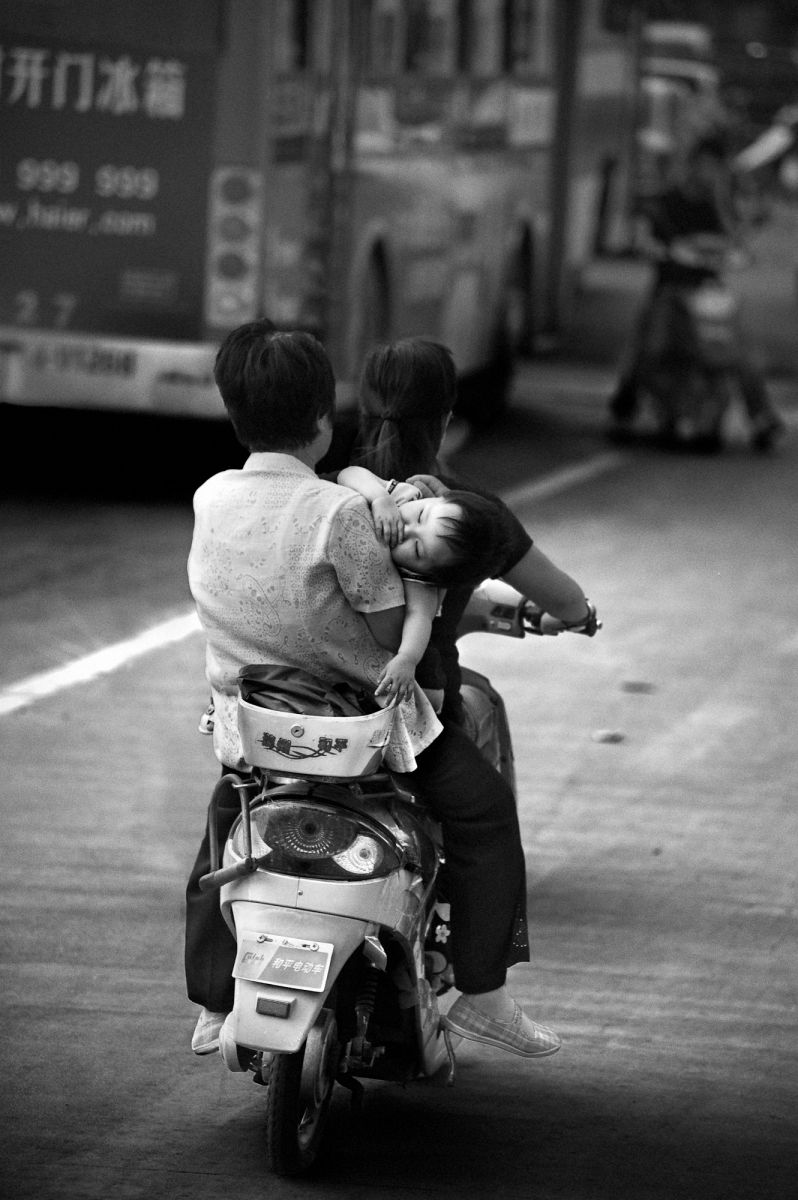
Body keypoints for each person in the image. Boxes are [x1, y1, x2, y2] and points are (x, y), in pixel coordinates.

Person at [185, 323, 590, 1062]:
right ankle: (485, 995)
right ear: (320, 419)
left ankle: (214, 1000)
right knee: (484, 814)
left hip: (253, 727)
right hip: (358, 732)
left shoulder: (212, 496)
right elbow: (384, 634)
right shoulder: (351, 515)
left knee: (224, 829)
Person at [607, 134, 786, 451]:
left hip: (709, 293)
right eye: (705, 166)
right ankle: (625, 408)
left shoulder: (716, 205)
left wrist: (738, 249)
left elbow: (734, 240)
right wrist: (656, 248)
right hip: (671, 290)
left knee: (737, 352)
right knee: (649, 347)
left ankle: (762, 417)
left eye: (716, 168)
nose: (709, 174)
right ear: (692, 164)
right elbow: (646, 232)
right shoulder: (667, 201)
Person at [337, 464, 509, 704]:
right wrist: (378, 497)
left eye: (417, 549)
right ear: (437, 499)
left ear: (432, 574)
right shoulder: (402, 497)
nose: (407, 530)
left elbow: (419, 617)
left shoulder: (420, 579)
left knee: (431, 689)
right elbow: (348, 473)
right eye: (420, 516)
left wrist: (407, 658)